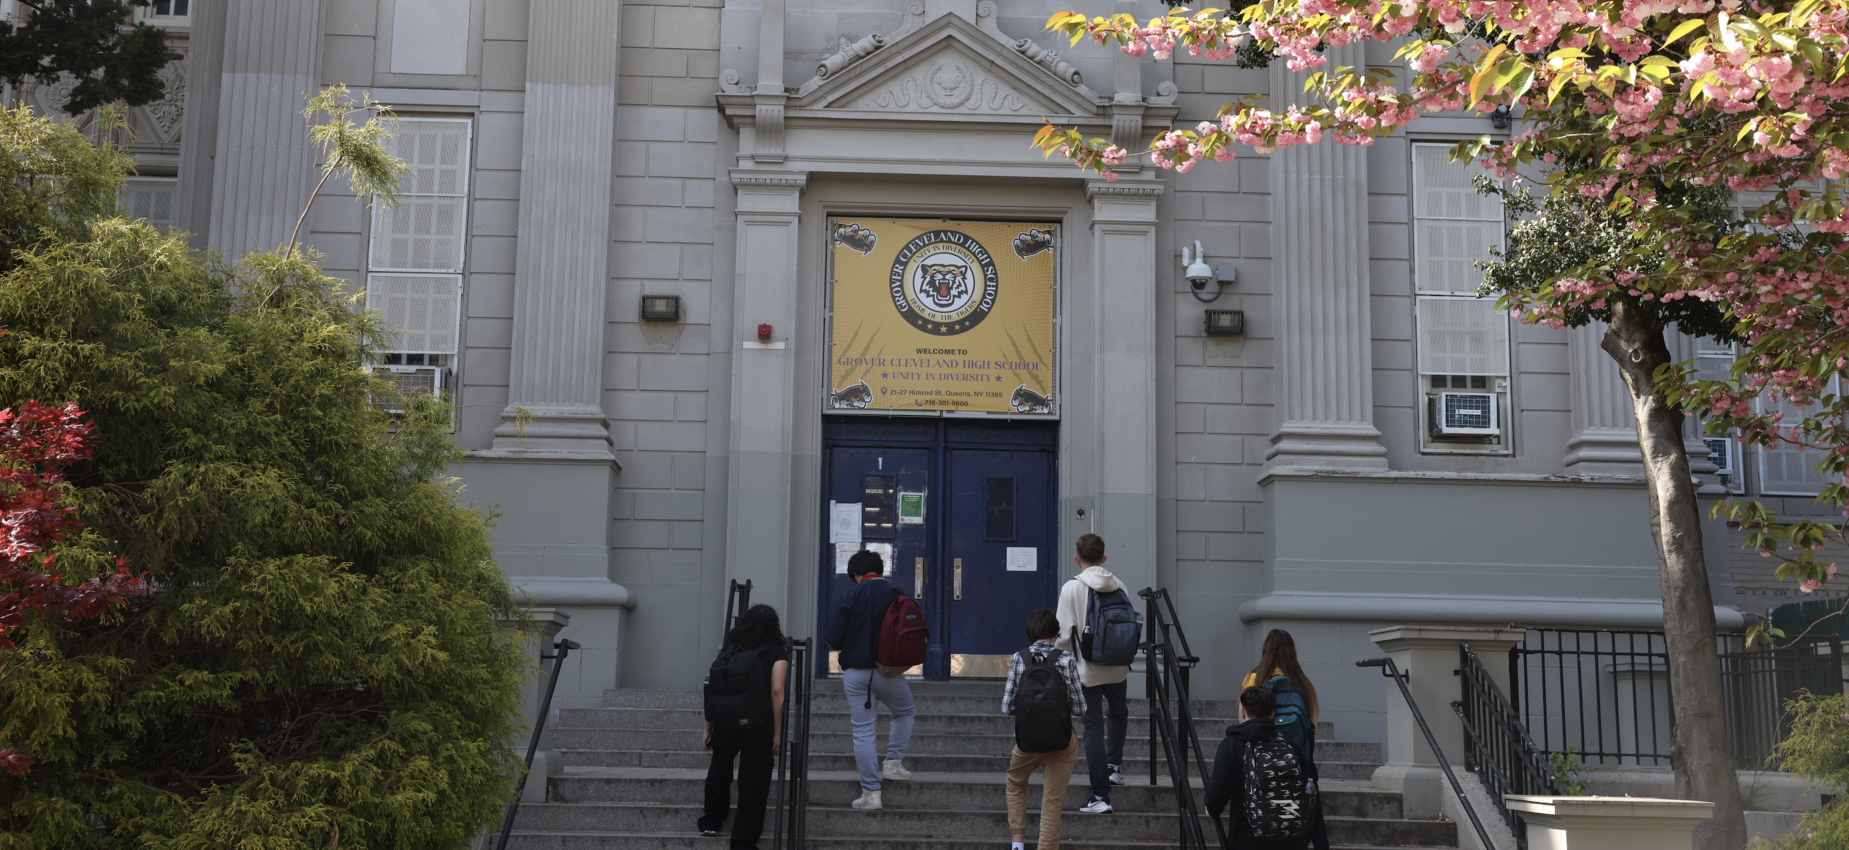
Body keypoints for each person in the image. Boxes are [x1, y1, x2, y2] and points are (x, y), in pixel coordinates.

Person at [822, 548, 916, 811]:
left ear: (855, 574)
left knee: (863, 731)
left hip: (855, 672)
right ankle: (893, 764)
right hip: (888, 670)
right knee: (905, 711)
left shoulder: (848, 595)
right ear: (881, 571)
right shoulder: (897, 596)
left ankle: (871, 794)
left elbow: (834, 637)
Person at [698, 604, 790, 849]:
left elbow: (713, 687)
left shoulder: (729, 649)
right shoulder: (778, 652)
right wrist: (778, 732)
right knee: (754, 782)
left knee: (720, 768)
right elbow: (777, 691)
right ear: (774, 627)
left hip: (725, 721)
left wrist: (708, 727)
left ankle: (711, 820)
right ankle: (742, 841)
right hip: (758, 725)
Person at [1054, 533, 1129, 814]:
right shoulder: (1118, 584)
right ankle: (1114, 767)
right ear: (1104, 558)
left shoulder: (1071, 588)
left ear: (1077, 558)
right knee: (1119, 713)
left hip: (1088, 668)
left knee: (1094, 727)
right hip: (1118, 666)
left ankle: (1100, 796)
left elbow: (1062, 637)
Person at [1001, 608, 1087, 850]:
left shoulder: (1019, 658)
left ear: (1030, 633)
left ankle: (1017, 844)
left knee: (1015, 782)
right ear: (1057, 634)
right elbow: (1080, 708)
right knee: (1052, 804)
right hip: (1061, 742)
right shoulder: (1067, 659)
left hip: (1028, 742)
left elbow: (1007, 706)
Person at [1240, 629, 1328, 850]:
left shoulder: (1253, 679)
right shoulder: (1303, 685)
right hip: (1299, 766)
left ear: (1265, 651)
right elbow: (1313, 728)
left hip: (1259, 766)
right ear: (1292, 652)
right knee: (1311, 812)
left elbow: (1244, 723)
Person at [1205, 687, 1318, 850]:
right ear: (1272, 715)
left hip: (1249, 839)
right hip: (1293, 839)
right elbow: (1310, 791)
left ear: (1243, 711)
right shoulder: (1290, 745)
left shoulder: (1232, 745)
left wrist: (1212, 808)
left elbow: (1216, 792)